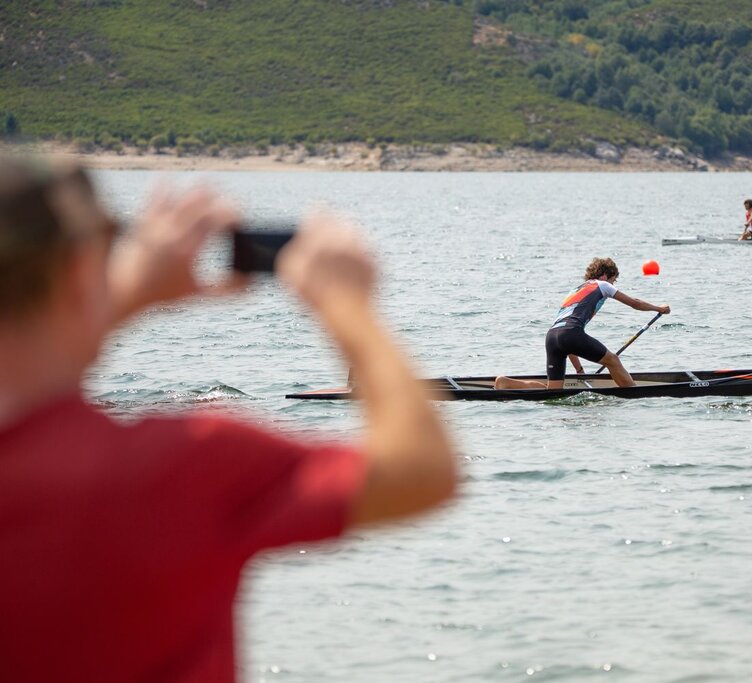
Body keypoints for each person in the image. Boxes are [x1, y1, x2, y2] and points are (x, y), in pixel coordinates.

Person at [0, 157, 458, 682]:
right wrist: (346, 303)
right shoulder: (180, 465)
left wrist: (123, 296)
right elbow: (420, 470)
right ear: (81, 271)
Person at [494, 257, 669, 390]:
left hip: (552, 336)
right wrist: (658, 308)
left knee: (553, 391)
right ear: (604, 275)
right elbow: (634, 303)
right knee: (613, 361)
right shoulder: (602, 285)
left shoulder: (576, 290)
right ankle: (634, 394)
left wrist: (579, 370)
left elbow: (565, 340)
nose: (613, 284)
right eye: (613, 280)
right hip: (569, 334)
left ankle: (506, 383)